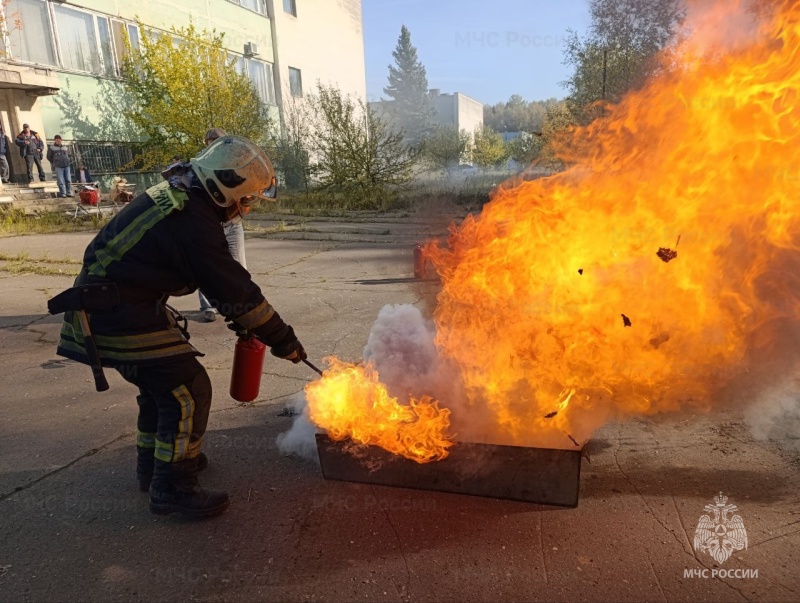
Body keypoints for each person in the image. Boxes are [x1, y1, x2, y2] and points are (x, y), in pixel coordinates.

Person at [52, 135, 297, 519]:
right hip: (115, 314)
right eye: (244, 199)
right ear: (224, 186)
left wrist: (247, 321)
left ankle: (154, 467)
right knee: (187, 389)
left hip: (116, 307)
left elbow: (221, 286)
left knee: (160, 390)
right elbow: (234, 288)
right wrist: (283, 340)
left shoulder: (184, 192)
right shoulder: (193, 220)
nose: (243, 208)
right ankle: (173, 487)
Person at [197, 128, 248, 322]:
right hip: (208, 223)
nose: (216, 144)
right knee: (205, 265)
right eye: (212, 141)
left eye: (220, 141)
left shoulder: (234, 164)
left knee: (238, 266)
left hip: (232, 222)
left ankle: (240, 304)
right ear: (207, 143)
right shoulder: (200, 165)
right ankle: (209, 306)